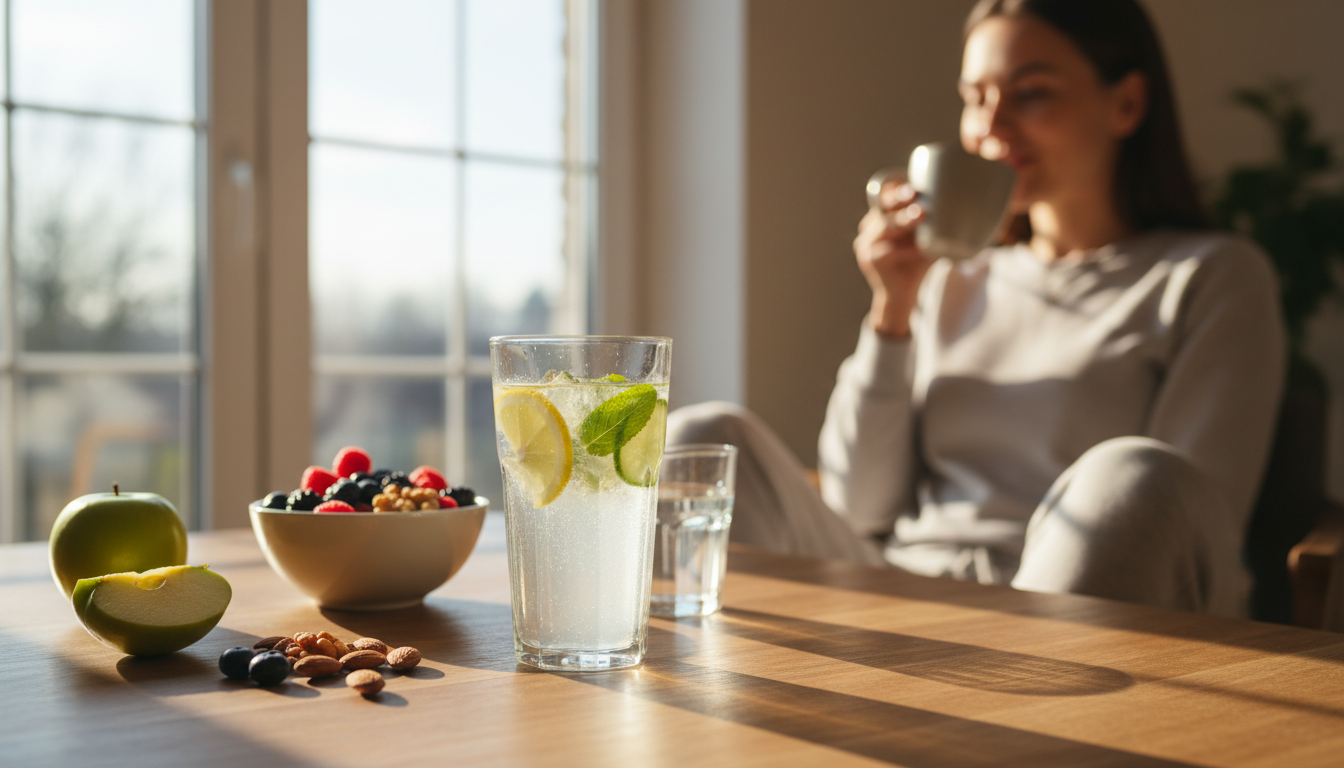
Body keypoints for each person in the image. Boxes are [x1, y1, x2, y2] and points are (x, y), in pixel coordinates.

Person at [667, 0, 1285, 616]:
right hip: (905, 590)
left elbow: (1198, 517)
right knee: (703, 436)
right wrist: (894, 307)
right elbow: (859, 506)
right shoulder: (953, 280)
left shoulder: (1210, 276)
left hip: (1064, 611)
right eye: (975, 97)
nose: (991, 125)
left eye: (1031, 93)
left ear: (1126, 103)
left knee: (1136, 476)